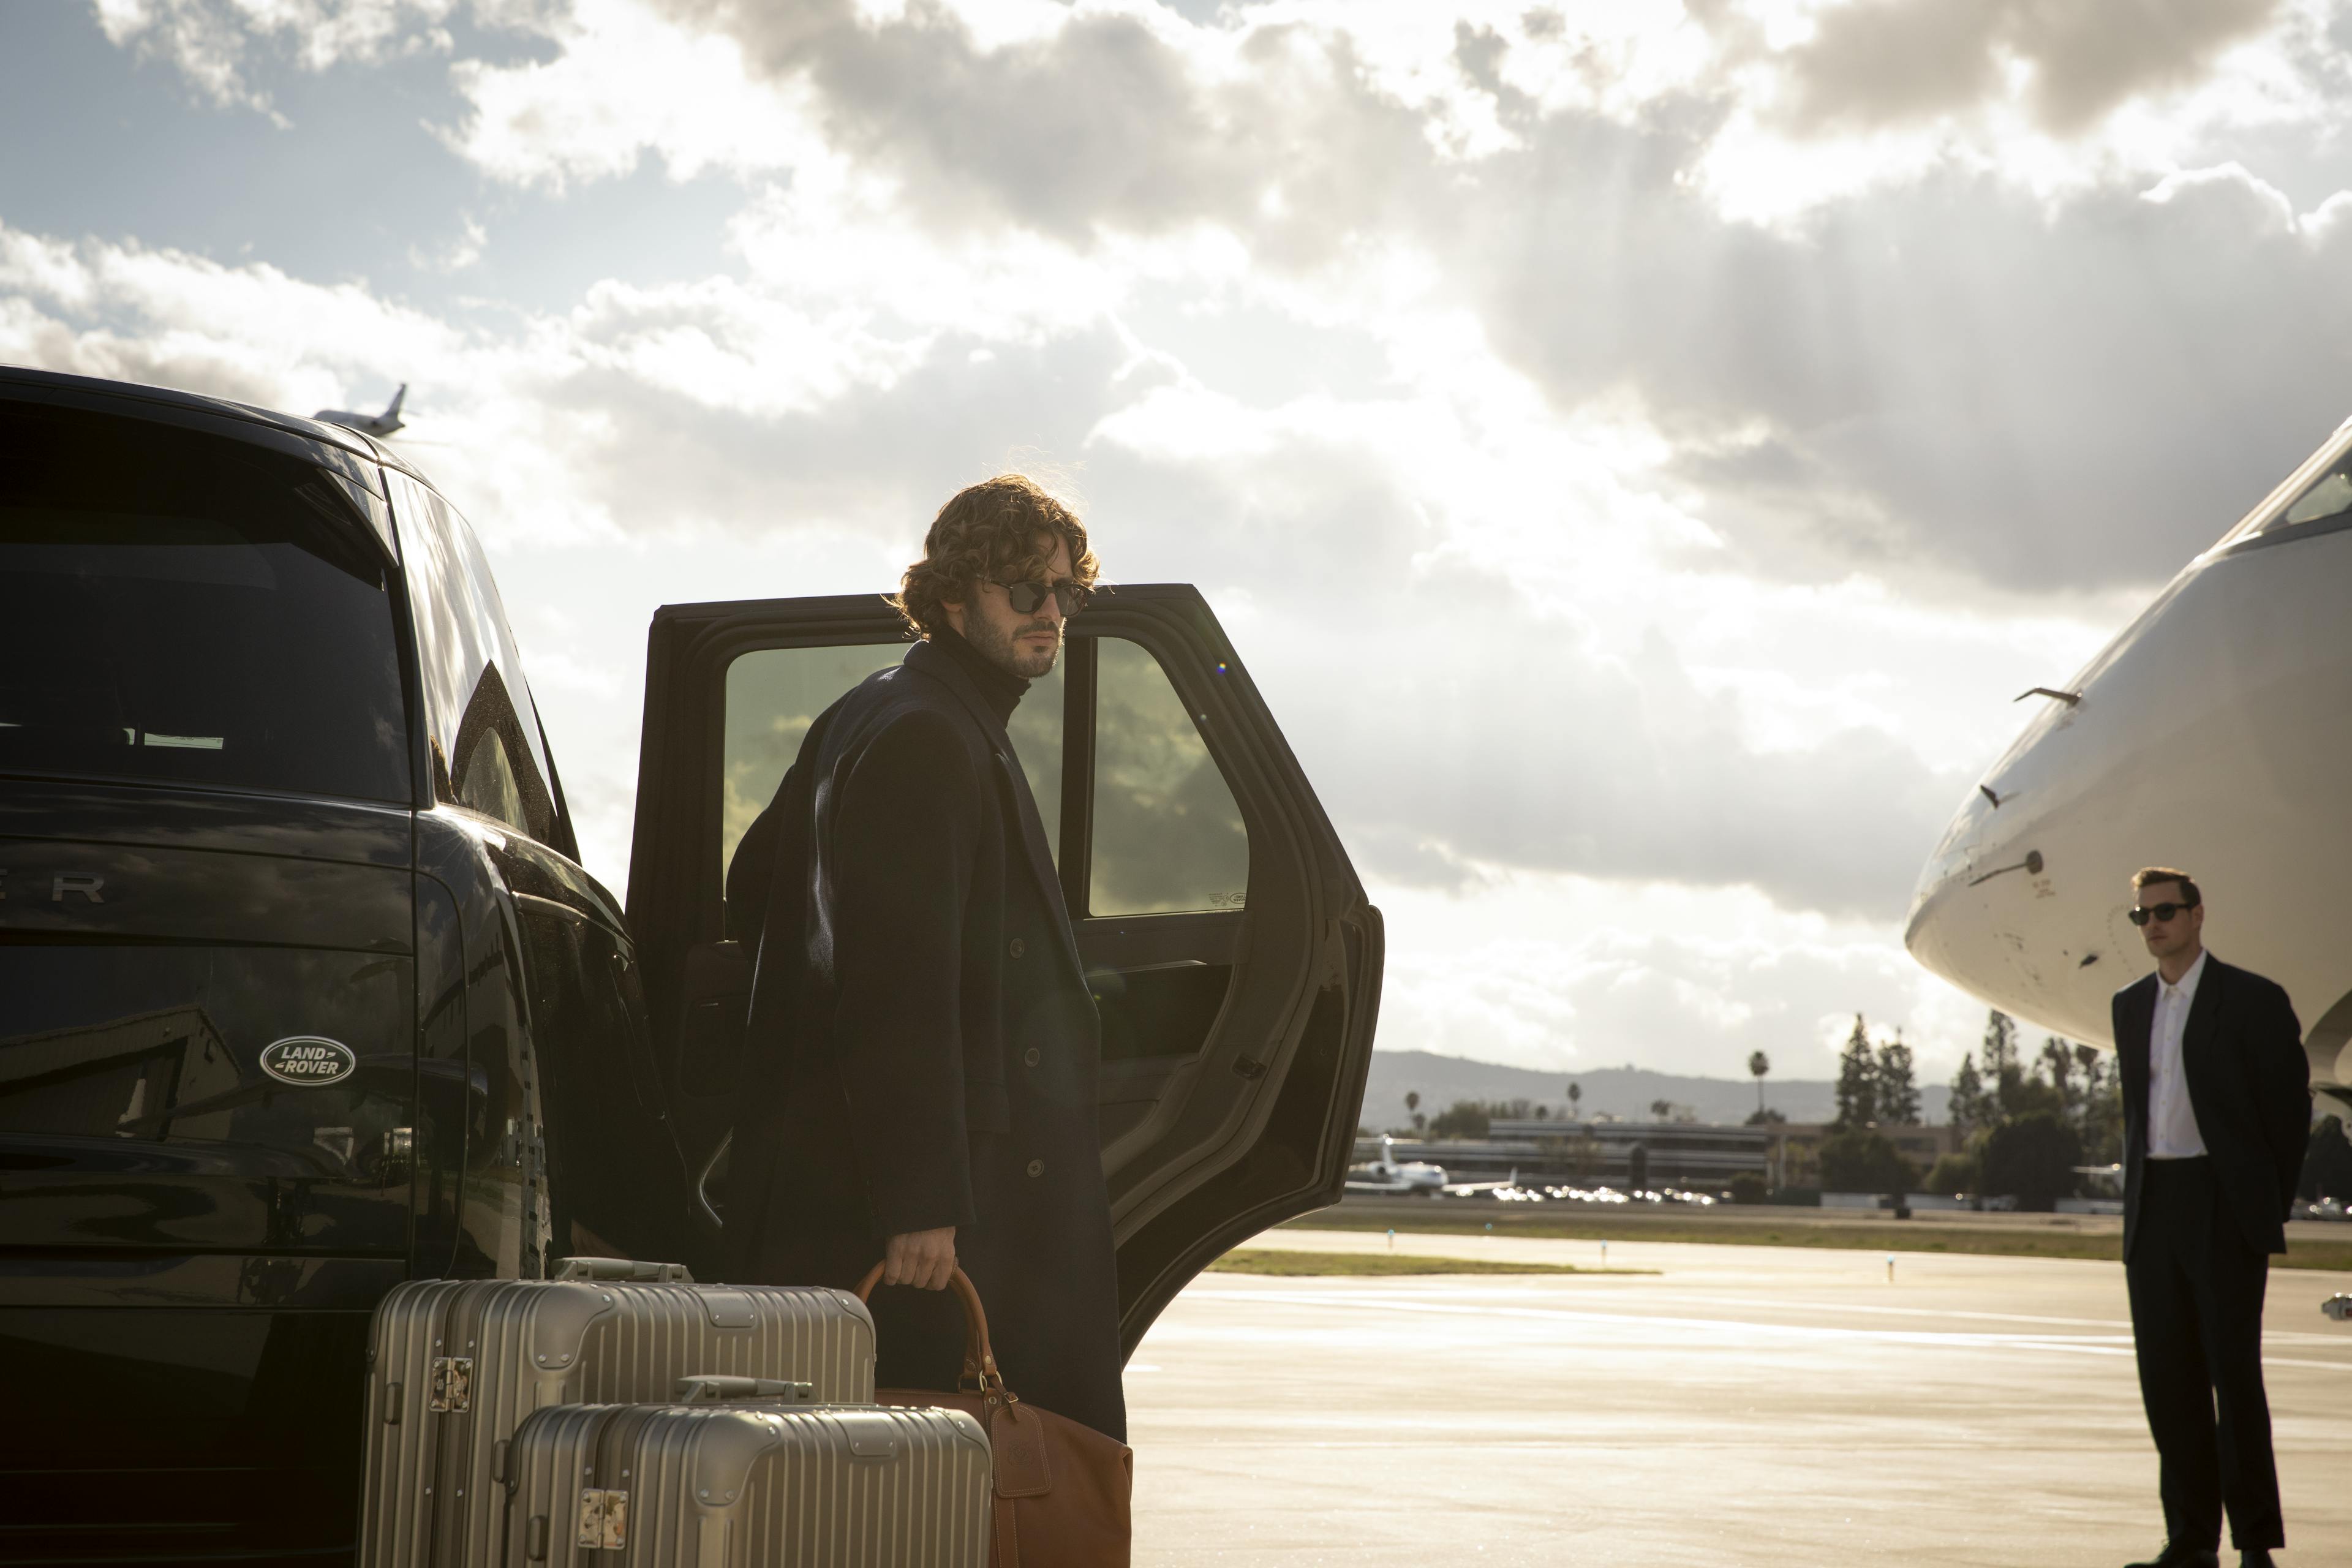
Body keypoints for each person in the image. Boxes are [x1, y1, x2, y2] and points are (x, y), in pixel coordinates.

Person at [718, 474, 1125, 1441]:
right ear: (952, 597)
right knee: (929, 1485)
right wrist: (921, 1205)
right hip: (921, 1223)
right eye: (1024, 590)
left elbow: (751, 884)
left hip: (857, 1183)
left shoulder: (882, 708)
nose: (1051, 614)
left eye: (1067, 592)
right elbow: (898, 989)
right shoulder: (929, 737)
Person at [2114, 867, 2309, 1568]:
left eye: (2165, 911)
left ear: (2198, 916)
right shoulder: (2130, 1004)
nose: (2154, 925)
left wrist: (2259, 1204)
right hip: (2155, 1206)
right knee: (2169, 1381)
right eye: (2142, 916)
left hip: (2222, 1203)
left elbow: (2289, 1116)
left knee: (2234, 1376)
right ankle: (2191, 1541)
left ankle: (2255, 1542)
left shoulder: (2253, 1000)